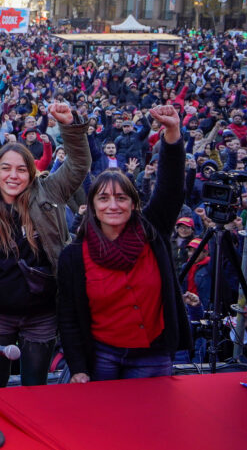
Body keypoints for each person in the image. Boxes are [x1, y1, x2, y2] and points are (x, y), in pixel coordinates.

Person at [58, 106, 191, 381]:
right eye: (104, 198)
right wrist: (79, 367)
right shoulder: (73, 255)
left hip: (153, 355)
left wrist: (172, 134)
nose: (113, 205)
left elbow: (171, 189)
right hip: (102, 357)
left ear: (134, 203)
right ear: (92, 207)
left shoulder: (152, 232)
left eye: (121, 198)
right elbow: (69, 317)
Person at [0, 102, 91, 388]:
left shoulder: (49, 190)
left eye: (21, 170)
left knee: (35, 387)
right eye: (6, 169)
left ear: (31, 173)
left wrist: (70, 126)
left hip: (41, 313)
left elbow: (78, 164)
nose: (13, 176)